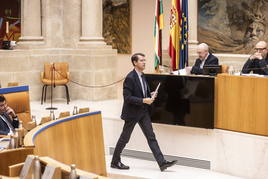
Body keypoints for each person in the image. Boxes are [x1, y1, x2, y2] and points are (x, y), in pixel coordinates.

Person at [111, 53, 177, 172]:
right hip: (132, 113)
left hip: (143, 112)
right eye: (141, 60)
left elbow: (142, 93)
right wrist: (143, 100)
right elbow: (127, 98)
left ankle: (162, 163)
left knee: (151, 137)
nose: (144, 62)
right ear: (135, 63)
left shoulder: (142, 75)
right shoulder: (130, 78)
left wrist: (149, 95)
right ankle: (115, 162)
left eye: (144, 60)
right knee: (124, 138)